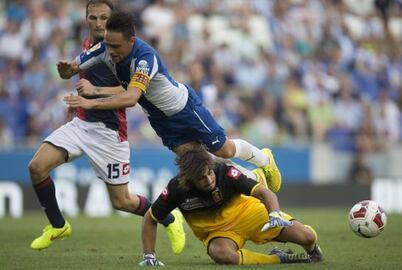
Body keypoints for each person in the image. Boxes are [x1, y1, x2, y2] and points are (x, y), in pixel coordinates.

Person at [59, 10, 282, 193]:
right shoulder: (103, 49)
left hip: (184, 109)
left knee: (222, 150)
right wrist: (66, 71)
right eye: (108, 45)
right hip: (160, 120)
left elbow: (131, 97)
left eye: (116, 46)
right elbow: (71, 69)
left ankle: (265, 160)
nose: (111, 51)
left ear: (132, 41)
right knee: (201, 161)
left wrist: (91, 101)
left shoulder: (145, 57)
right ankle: (254, 180)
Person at [28, 0, 185, 254]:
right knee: (36, 167)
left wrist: (93, 94)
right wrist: (68, 81)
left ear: (112, 21)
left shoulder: (119, 50)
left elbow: (130, 90)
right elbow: (75, 77)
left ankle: (169, 218)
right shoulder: (87, 45)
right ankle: (58, 226)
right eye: (93, 18)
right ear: (86, 19)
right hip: (81, 123)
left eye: (104, 18)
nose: (99, 24)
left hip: (109, 131)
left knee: (121, 201)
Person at [139, 147, 324, 266]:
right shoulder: (176, 188)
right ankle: (278, 258)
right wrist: (149, 256)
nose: (209, 179)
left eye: (210, 173)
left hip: (250, 215)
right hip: (219, 233)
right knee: (222, 255)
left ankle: (312, 250)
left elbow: (264, 193)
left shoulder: (225, 172)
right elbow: (150, 218)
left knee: (307, 237)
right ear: (190, 179)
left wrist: (274, 214)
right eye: (202, 178)